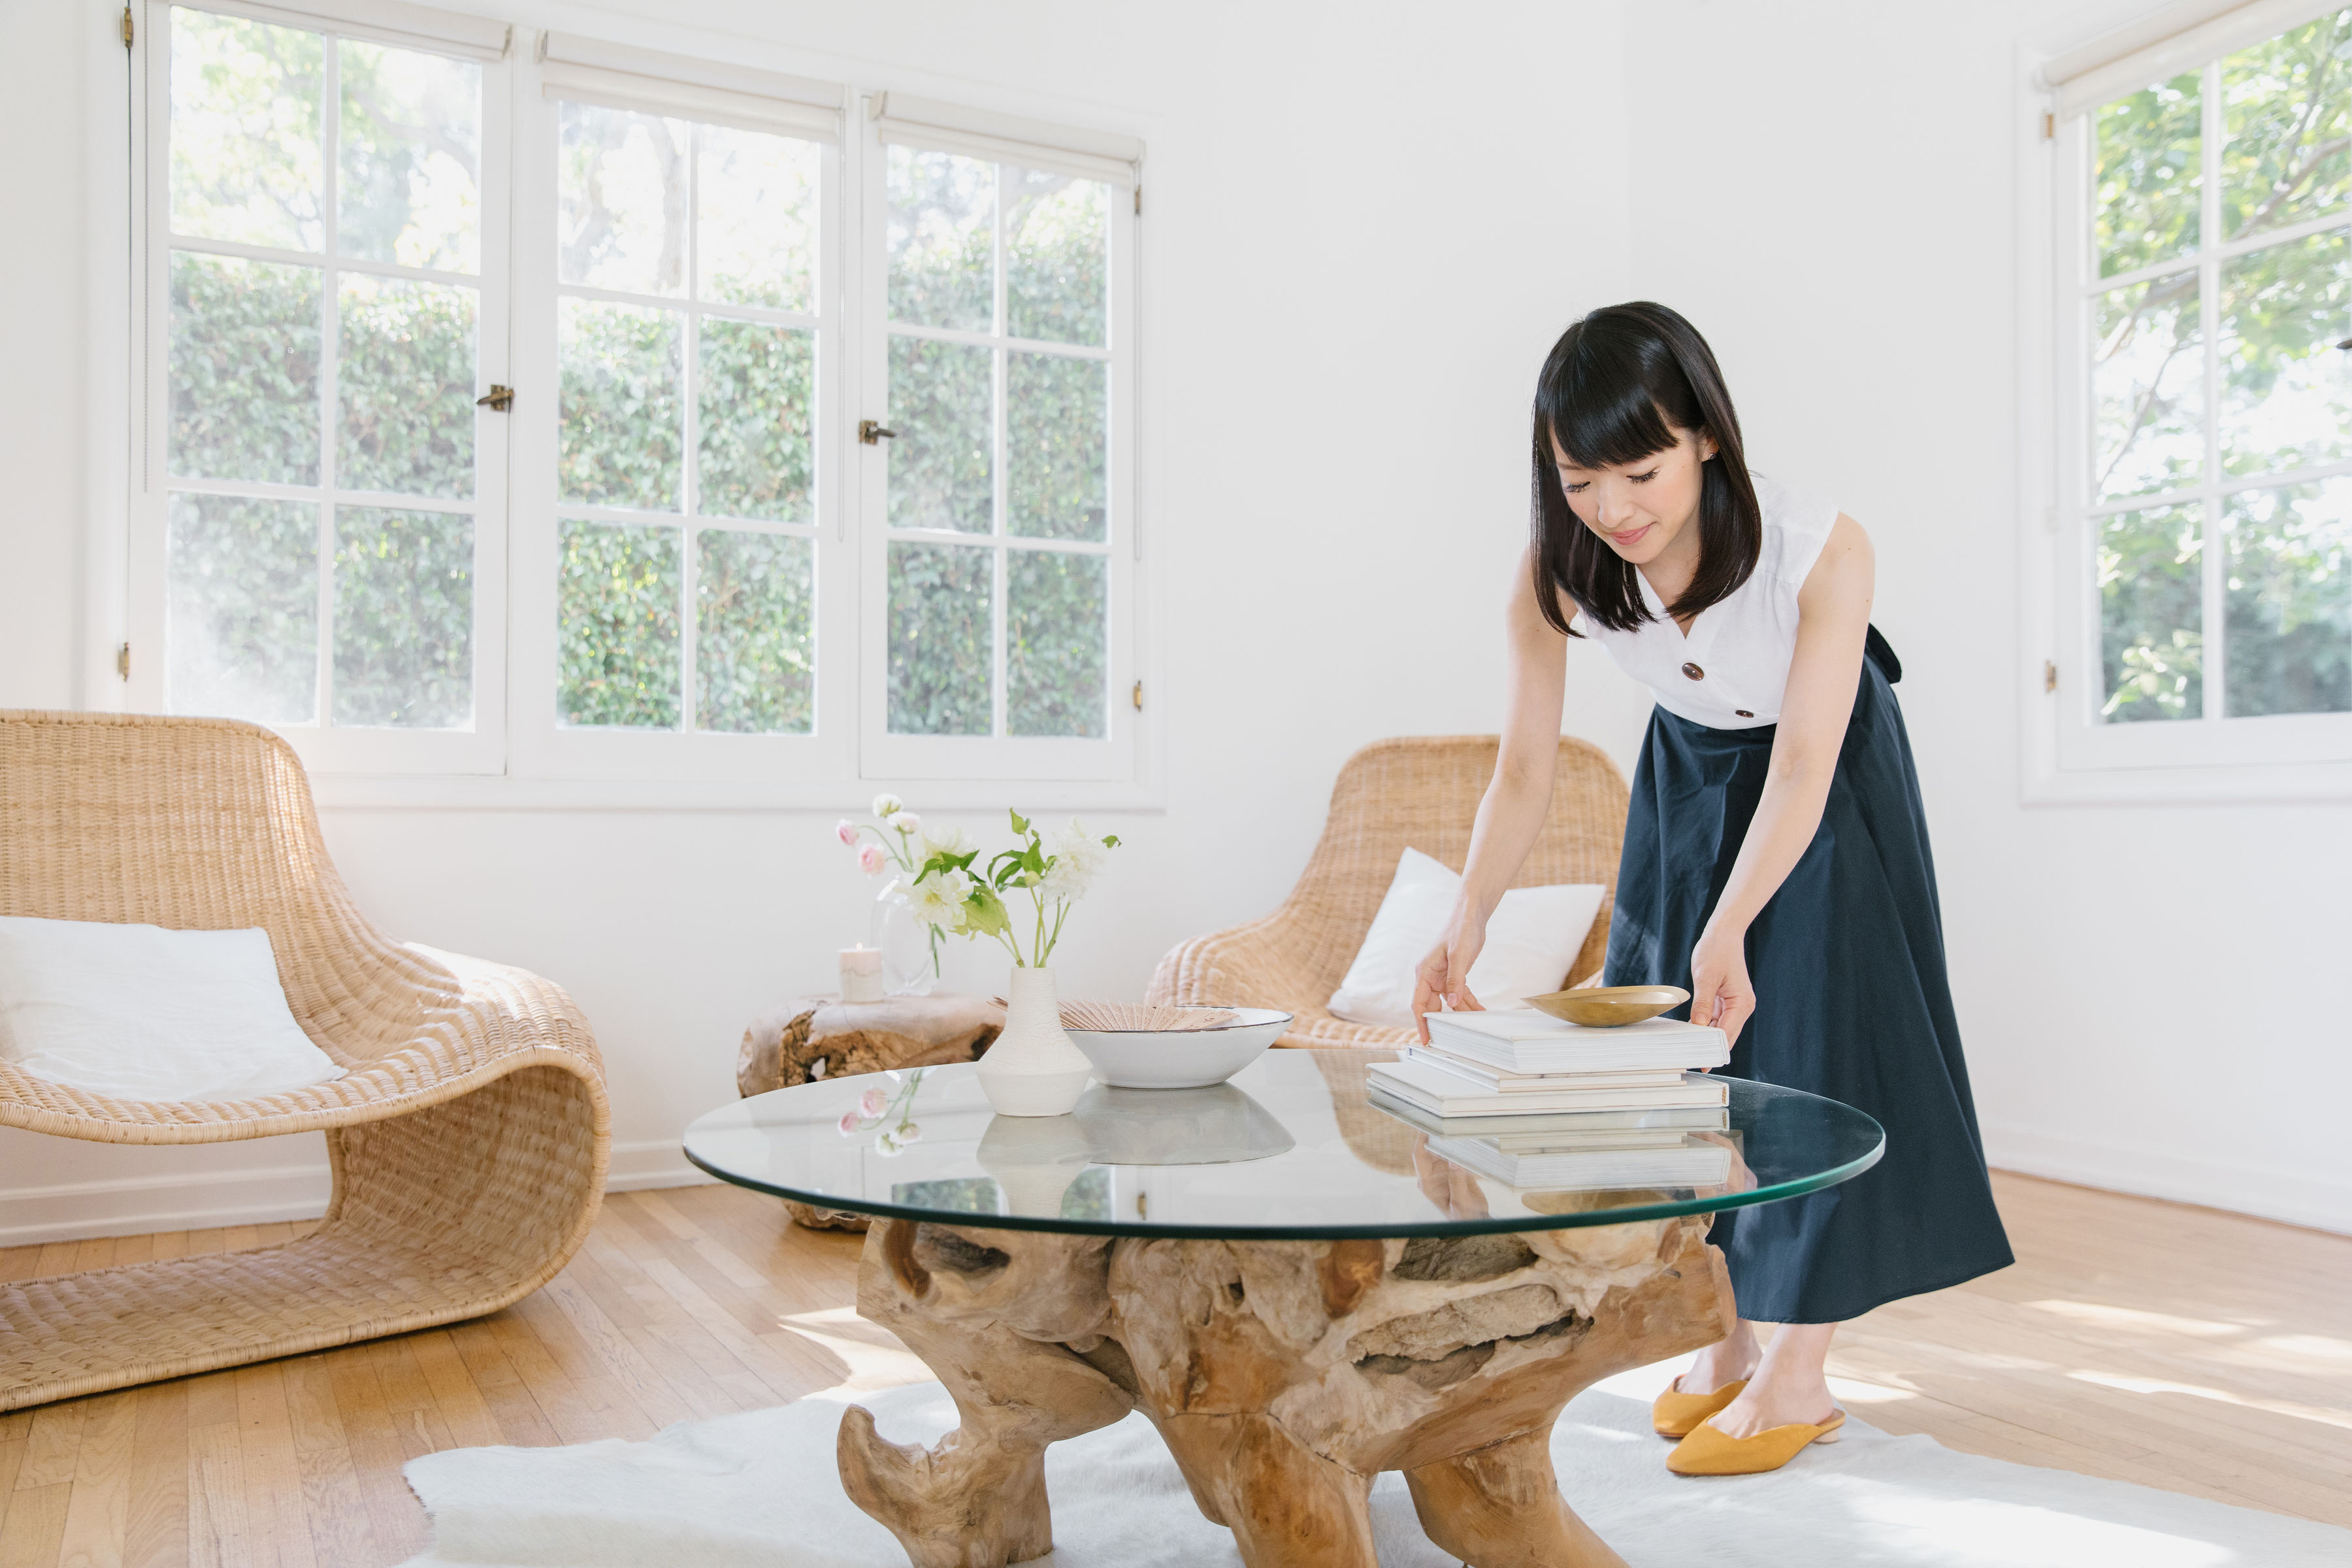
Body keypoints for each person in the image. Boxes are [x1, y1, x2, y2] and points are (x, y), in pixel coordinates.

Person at [1411, 301, 2012, 1477]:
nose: (1613, 510)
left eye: (1639, 471)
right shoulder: (1559, 569)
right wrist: (1467, 914)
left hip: (1823, 767)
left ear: (1705, 440)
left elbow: (1801, 760)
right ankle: (1730, 1334)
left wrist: (1731, 925)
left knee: (1821, 1044)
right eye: (1580, 481)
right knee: (1686, 1058)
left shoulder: (1818, 548)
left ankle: (1802, 1369)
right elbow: (1524, 765)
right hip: (1689, 762)